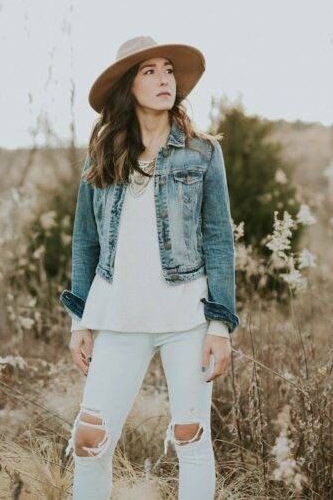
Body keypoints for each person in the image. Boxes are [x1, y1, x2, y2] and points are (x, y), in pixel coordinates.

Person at [59, 35, 241, 499]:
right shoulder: (101, 156)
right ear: (128, 86)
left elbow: (219, 239)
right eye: (149, 71)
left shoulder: (202, 153)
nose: (164, 79)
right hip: (118, 317)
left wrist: (220, 325)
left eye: (168, 70)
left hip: (187, 319)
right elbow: (85, 240)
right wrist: (80, 319)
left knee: (191, 438)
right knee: (90, 440)